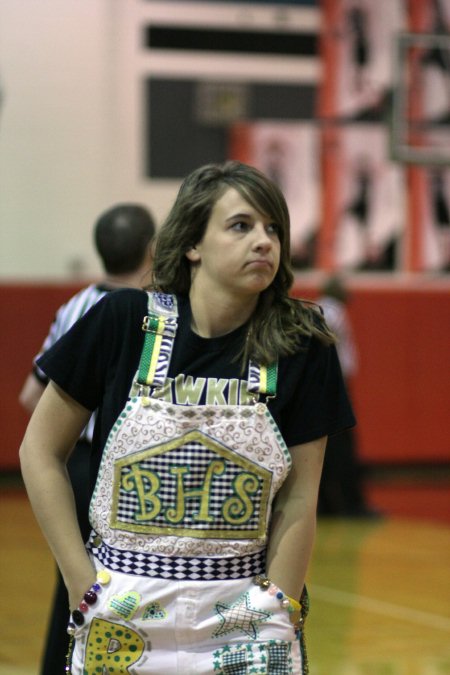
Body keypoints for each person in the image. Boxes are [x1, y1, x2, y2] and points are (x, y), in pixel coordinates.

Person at [19, 161, 355, 675]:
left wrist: (280, 603)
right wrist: (78, 580)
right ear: (193, 244)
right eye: (241, 225)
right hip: (124, 609)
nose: (264, 241)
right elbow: (38, 451)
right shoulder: (124, 320)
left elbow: (301, 495)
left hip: (244, 615)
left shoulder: (302, 341)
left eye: (273, 229)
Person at [19, 203, 156, 675]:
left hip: (76, 462)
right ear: (152, 248)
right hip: (121, 467)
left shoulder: (73, 305)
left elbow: (30, 394)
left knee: (75, 578)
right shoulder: (156, 309)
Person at [317, 275, 376, 517]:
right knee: (342, 445)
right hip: (334, 384)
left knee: (329, 446)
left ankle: (329, 504)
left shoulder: (325, 308)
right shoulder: (333, 311)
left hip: (328, 384)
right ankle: (349, 504)